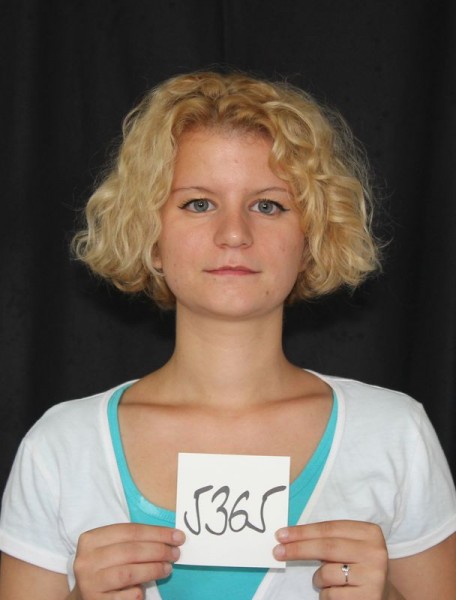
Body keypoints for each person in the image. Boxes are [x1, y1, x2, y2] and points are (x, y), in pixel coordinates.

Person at [0, 71, 455, 600]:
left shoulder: (394, 434)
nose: (234, 234)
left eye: (268, 205)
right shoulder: (61, 447)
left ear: (313, 236)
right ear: (150, 236)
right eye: (198, 203)